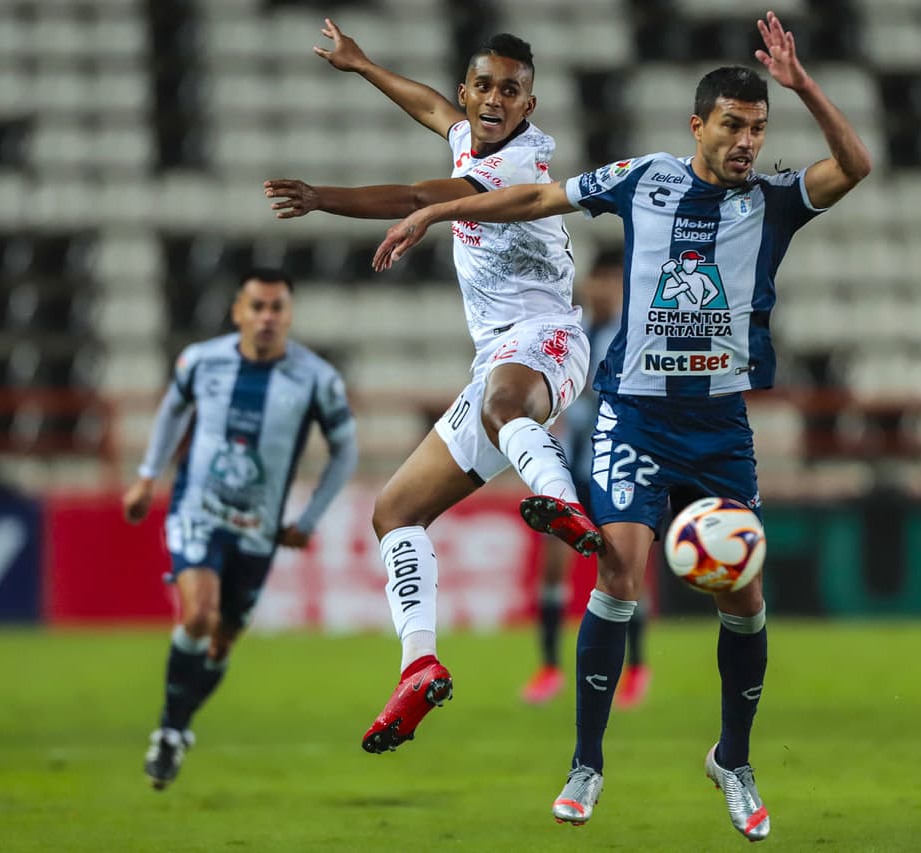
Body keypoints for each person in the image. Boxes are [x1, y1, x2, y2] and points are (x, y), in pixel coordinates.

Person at [371, 11, 871, 841]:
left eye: (760, 127)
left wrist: (806, 88)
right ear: (699, 126)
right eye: (735, 126)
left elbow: (855, 167)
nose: (749, 141)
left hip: (719, 428)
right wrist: (436, 212)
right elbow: (538, 195)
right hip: (633, 415)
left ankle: (734, 760)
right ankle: (586, 763)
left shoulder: (776, 201)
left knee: (742, 593)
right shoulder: (644, 178)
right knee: (619, 572)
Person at [263, 21, 602, 755]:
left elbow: (420, 191)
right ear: (468, 89)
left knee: (505, 402)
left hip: (548, 338)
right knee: (394, 512)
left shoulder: (518, 165)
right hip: (495, 360)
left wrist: (323, 196)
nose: (493, 99)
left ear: (529, 104)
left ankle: (563, 504)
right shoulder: (465, 133)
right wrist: (361, 65)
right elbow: (426, 109)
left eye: (510, 90)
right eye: (483, 85)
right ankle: (418, 663)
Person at [122, 269, 358, 790]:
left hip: (258, 529)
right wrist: (145, 478)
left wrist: (310, 518)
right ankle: (168, 730)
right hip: (197, 512)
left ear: (289, 315)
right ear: (238, 312)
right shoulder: (201, 361)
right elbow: (171, 412)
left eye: (277, 308)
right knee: (200, 615)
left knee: (224, 640)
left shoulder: (317, 378)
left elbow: (346, 450)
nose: (267, 317)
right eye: (257, 307)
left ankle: (176, 727)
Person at [520, 247, 651, 709]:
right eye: (598, 283)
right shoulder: (572, 334)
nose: (602, 292)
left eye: (611, 284)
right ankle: (549, 667)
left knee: (623, 570)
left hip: (615, 465)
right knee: (553, 565)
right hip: (572, 465)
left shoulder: (630, 337)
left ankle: (636, 669)